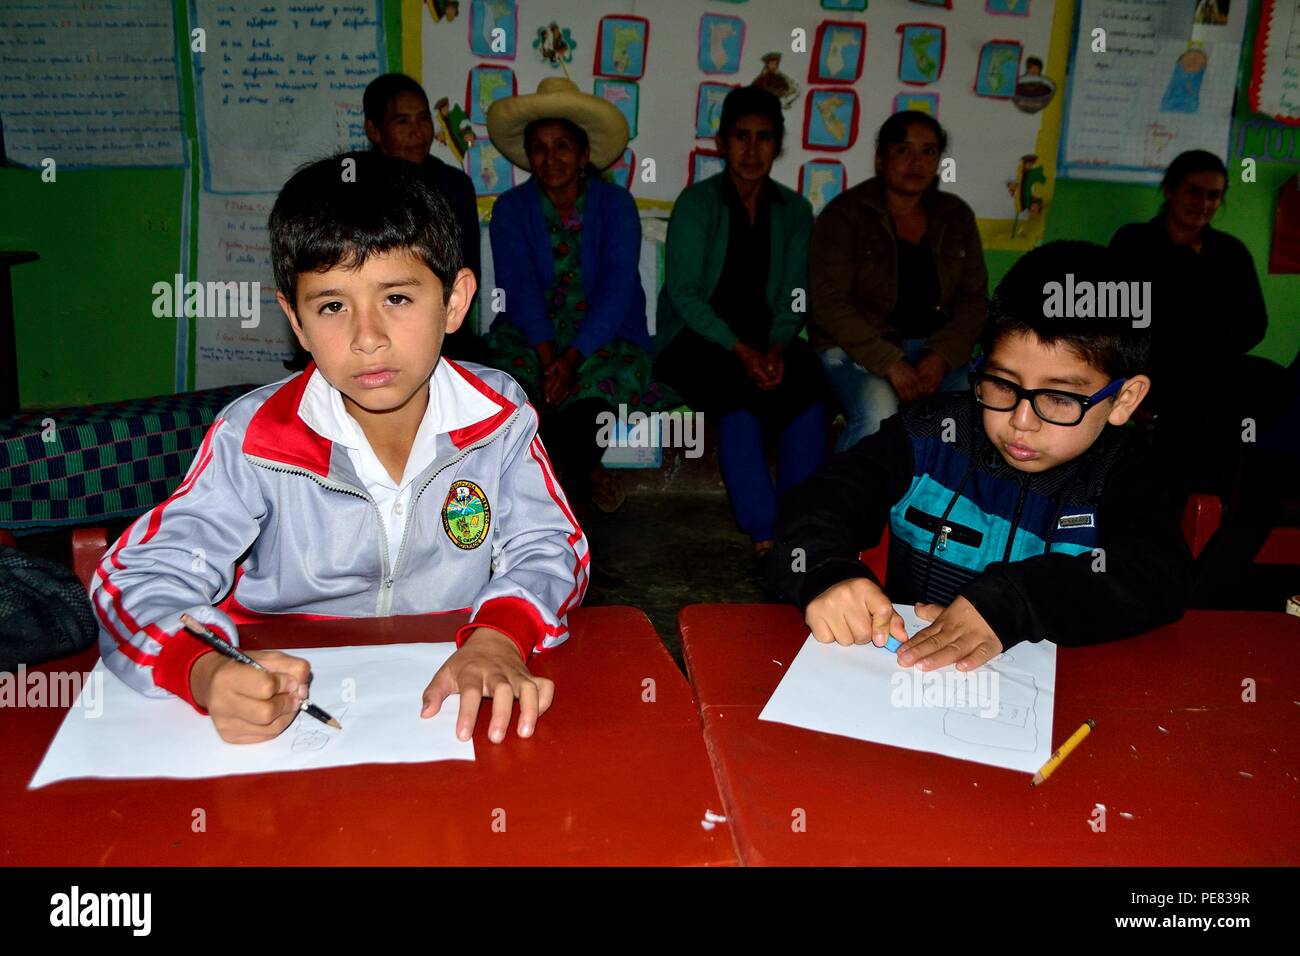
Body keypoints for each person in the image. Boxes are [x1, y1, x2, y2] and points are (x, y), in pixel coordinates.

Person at [90, 152, 587, 746]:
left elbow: (549, 544)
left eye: (397, 299)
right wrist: (203, 669)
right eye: (331, 306)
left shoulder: (499, 418)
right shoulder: (256, 438)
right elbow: (138, 576)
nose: (367, 337)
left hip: (451, 694)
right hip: (278, 706)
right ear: (295, 323)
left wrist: (501, 634)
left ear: (454, 302)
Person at [770, 241, 1191, 670]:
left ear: (1124, 398)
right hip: (908, 681)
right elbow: (818, 502)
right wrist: (826, 572)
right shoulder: (926, 437)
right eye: (1003, 385)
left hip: (1063, 702)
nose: (1021, 420)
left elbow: (1159, 577)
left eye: (1061, 398)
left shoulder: (1127, 473)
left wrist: (1017, 601)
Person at [1110, 150, 1296, 606]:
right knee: (1193, 406)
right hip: (1154, 372)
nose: (1204, 204)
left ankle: (1226, 505)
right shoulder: (1135, 244)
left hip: (1214, 371)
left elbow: (1253, 324)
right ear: (1171, 189)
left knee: (1270, 386)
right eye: (1195, 191)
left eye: (1215, 195)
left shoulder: (1228, 252)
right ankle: (1181, 513)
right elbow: (1119, 316)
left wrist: (1203, 339)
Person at [654, 86, 829, 565]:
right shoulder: (697, 204)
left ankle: (801, 522)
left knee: (810, 390)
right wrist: (743, 351)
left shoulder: (794, 212)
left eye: (765, 138)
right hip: (700, 337)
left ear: (778, 144)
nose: (752, 151)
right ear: (721, 143)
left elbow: (797, 293)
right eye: (741, 137)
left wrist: (775, 347)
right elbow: (685, 295)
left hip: (770, 337)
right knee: (736, 393)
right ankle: (763, 527)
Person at [484, 77, 664, 513]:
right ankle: (581, 476)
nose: (551, 158)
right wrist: (550, 359)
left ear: (584, 155)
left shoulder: (617, 206)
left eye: (563, 146)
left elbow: (618, 289)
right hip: (530, 337)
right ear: (529, 156)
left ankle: (561, 490)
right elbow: (519, 288)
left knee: (589, 406)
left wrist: (572, 359)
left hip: (605, 338)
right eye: (540, 148)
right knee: (519, 397)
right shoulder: (510, 210)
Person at [811, 111, 988, 451]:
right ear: (881, 159)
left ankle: (938, 503)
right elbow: (828, 303)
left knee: (979, 407)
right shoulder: (845, 214)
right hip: (856, 349)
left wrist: (941, 357)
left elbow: (974, 300)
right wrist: (889, 362)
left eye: (928, 152)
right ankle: (843, 503)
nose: (916, 162)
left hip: (934, 351)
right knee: (878, 413)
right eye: (903, 150)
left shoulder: (955, 216)